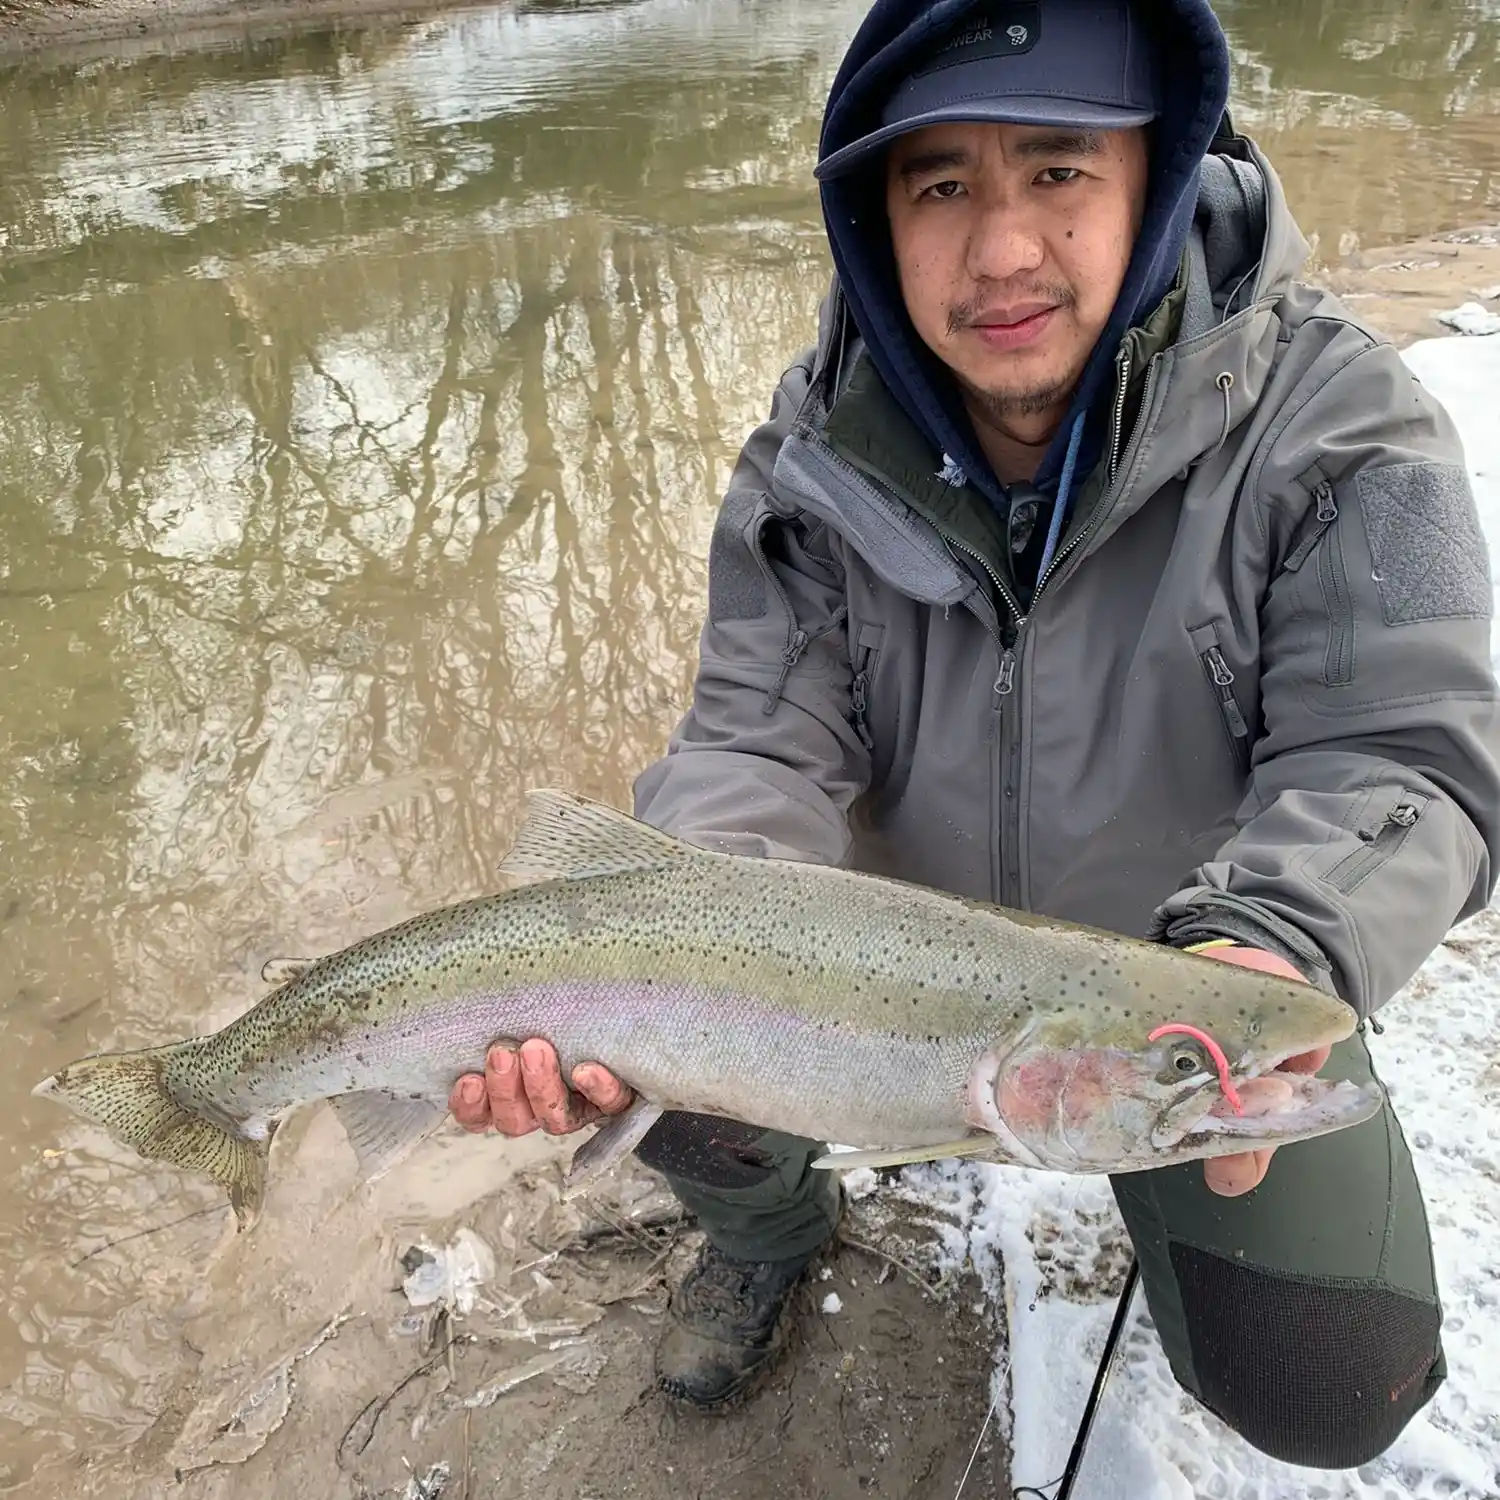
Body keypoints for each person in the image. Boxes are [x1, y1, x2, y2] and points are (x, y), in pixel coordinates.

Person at [450, 0, 1500, 1470]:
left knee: (1336, 1382)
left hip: (1183, 988)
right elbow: (754, 751)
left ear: (1158, 171)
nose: (1000, 250)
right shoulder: (806, 466)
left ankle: (1164, 1152)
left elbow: (1406, 754)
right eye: (941, 184)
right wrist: (665, 943)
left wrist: (1279, 945)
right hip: (877, 978)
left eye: (1059, 170)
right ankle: (767, 1221)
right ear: (875, 215)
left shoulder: (1346, 428)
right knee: (660, 1014)